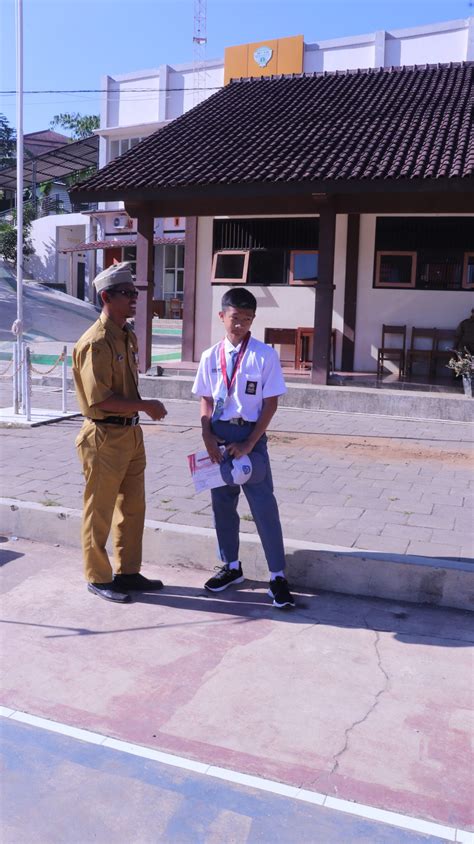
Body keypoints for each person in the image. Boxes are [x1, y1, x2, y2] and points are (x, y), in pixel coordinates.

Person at [192, 287, 295, 608]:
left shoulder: (263, 355)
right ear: (222, 316)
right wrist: (207, 434)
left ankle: (277, 575)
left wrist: (250, 442)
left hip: (250, 438)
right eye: (235, 318)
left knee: (264, 507)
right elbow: (206, 399)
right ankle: (231, 567)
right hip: (218, 441)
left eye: (247, 319)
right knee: (222, 506)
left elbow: (271, 403)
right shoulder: (210, 356)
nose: (240, 325)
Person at [72, 262, 167, 603]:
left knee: (132, 506)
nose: (134, 299)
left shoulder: (127, 335)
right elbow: (102, 399)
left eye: (135, 293)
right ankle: (98, 576)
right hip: (103, 436)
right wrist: (146, 405)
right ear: (105, 297)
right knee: (99, 510)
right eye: (127, 294)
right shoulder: (95, 342)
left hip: (130, 435)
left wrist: (140, 412)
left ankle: (127, 572)